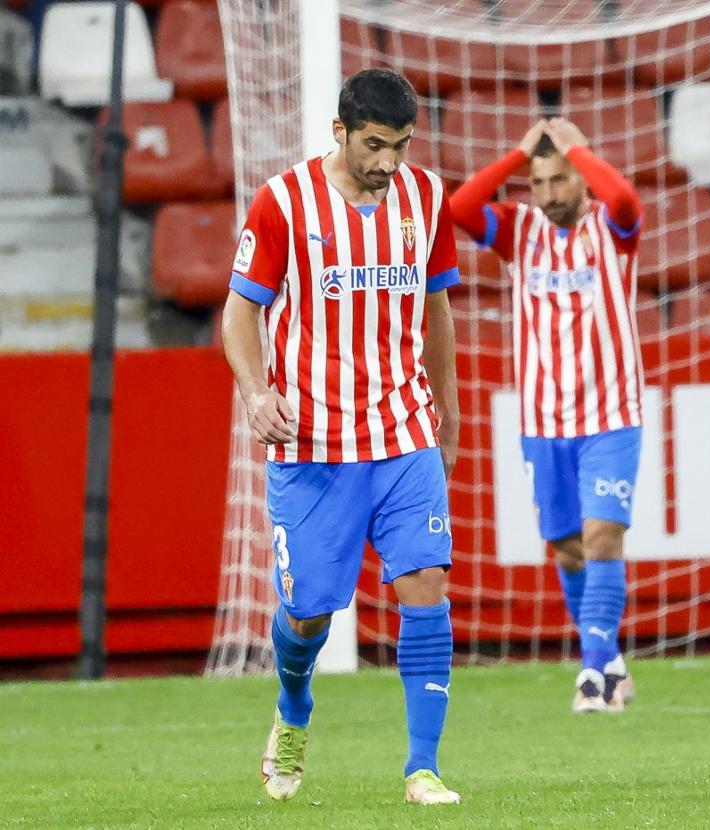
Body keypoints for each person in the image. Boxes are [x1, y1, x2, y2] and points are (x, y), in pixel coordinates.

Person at [221, 69, 462, 804]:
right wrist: (258, 394)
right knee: (309, 614)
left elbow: (437, 307)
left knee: (426, 583)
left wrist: (445, 407)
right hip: (314, 446)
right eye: (374, 146)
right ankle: (293, 708)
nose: (389, 162)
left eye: (401, 146)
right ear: (340, 132)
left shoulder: (426, 198)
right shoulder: (284, 202)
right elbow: (238, 314)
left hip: (402, 432)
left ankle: (422, 766)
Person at [450, 118, 644, 714]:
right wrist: (517, 154)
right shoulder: (518, 230)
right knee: (566, 547)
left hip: (610, 411)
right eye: (540, 183)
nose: (551, 193)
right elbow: (460, 207)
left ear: (581, 179)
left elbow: (626, 198)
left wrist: (578, 148)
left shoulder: (611, 229)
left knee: (601, 535)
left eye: (561, 180)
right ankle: (609, 658)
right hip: (542, 418)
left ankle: (590, 674)